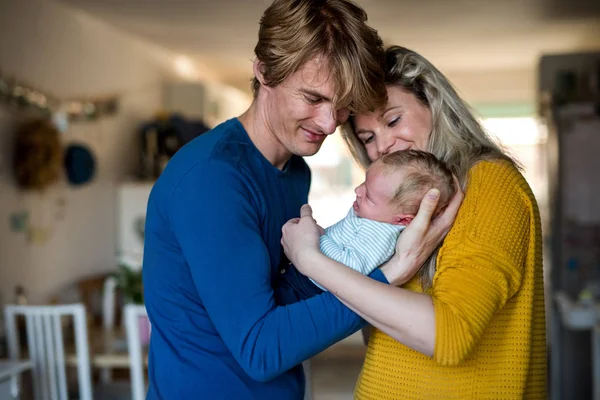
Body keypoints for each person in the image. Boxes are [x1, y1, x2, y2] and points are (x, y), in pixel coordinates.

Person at [142, 1, 460, 398]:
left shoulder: (294, 171)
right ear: (263, 71)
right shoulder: (212, 179)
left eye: (342, 104)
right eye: (312, 98)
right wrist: (388, 274)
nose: (329, 123)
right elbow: (261, 350)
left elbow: (289, 295)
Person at [281, 45, 546, 399]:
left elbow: (449, 335)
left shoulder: (487, 183)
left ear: (433, 104)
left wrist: (309, 259)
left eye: (393, 120)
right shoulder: (400, 211)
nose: (385, 145)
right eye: (368, 138)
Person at [289, 149, 456, 297]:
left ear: (403, 220)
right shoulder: (372, 215)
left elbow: (349, 268)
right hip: (306, 274)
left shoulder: (380, 235)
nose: (358, 191)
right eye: (364, 182)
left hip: (310, 290)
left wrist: (317, 237)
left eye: (369, 196)